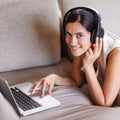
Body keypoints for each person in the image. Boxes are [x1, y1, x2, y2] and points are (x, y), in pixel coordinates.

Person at [29, 7, 120, 107]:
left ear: (95, 35)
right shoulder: (81, 48)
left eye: (79, 35)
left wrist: (88, 66)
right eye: (68, 34)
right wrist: (54, 78)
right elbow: (75, 81)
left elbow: (105, 103)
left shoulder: (116, 53)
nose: (72, 42)